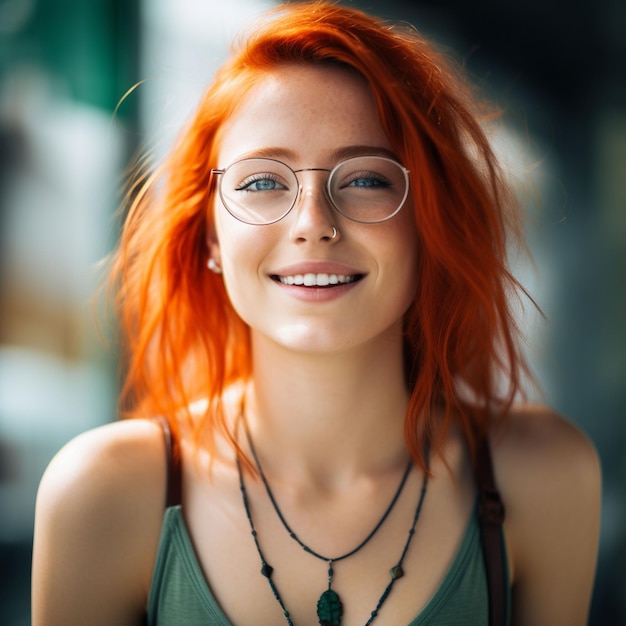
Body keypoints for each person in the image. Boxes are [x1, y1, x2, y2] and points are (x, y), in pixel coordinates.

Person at [31, 2, 601, 625]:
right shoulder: (104, 496)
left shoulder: (545, 476)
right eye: (259, 182)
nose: (312, 225)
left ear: (429, 225)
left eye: (364, 180)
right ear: (211, 239)